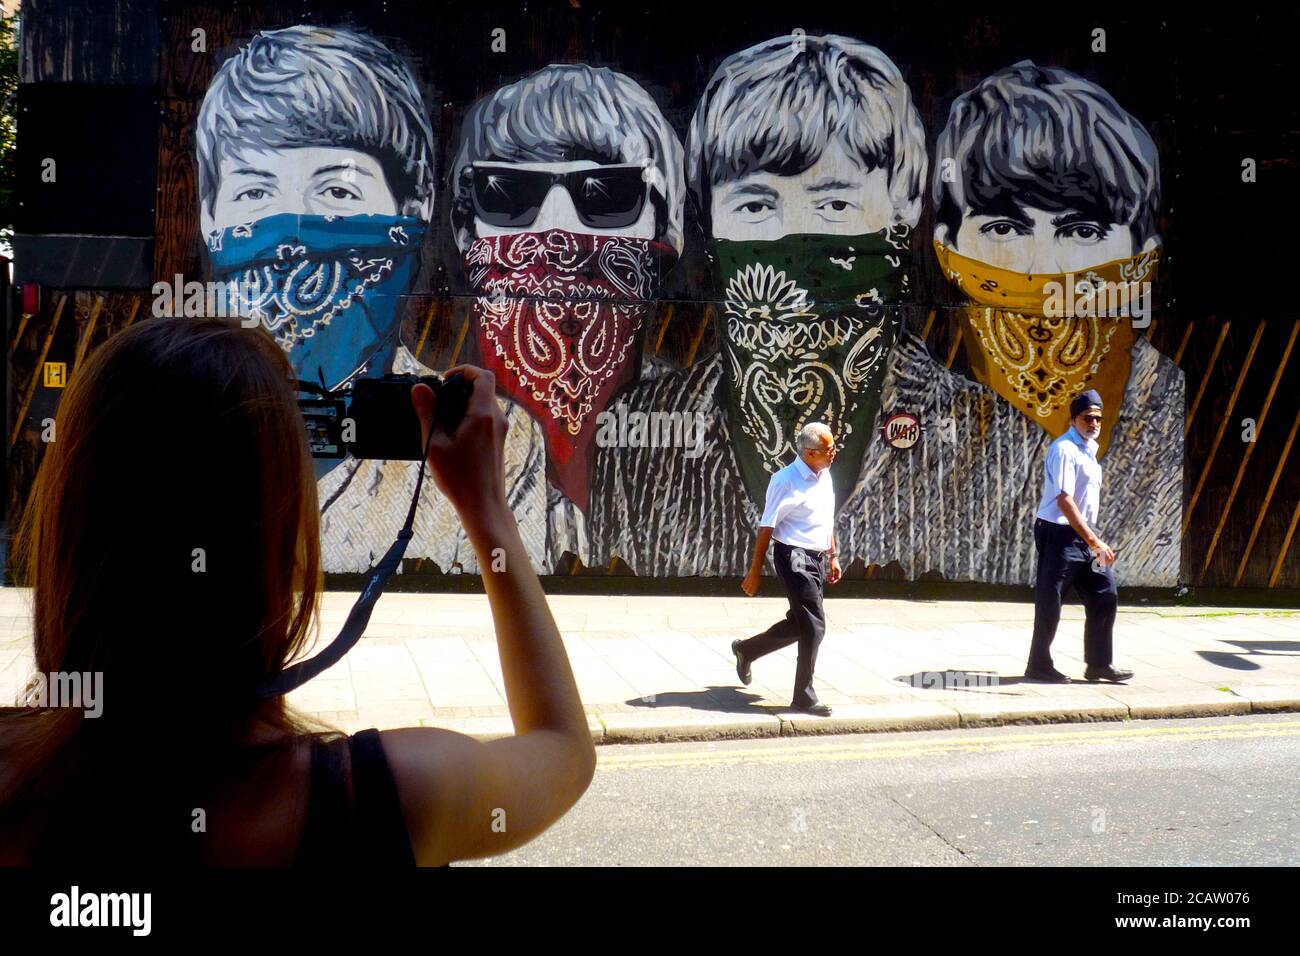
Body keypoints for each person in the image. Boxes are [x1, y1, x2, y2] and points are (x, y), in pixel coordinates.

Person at [0, 317, 595, 865]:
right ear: (278, 542)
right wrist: (487, 506)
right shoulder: (397, 793)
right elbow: (562, 749)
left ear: (67, 530)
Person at [588, 32, 926, 577]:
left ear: (903, 205)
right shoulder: (634, 434)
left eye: (835, 203)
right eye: (753, 205)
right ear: (709, 216)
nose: (794, 239)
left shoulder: (997, 437)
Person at [1025, 389, 1134, 684]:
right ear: (1074, 419)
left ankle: (1098, 665)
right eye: (1088, 417)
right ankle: (1038, 665)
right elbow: (1064, 499)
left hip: (1082, 534)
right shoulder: (1064, 450)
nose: (1094, 423)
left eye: (1098, 418)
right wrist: (1095, 542)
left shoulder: (1088, 450)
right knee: (1051, 600)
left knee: (1104, 593)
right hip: (1058, 533)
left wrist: (1091, 539)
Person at [734, 423, 843, 716]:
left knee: (801, 624)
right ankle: (804, 697)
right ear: (810, 453)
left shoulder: (825, 474)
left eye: (833, 447)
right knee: (814, 626)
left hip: (817, 557)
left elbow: (825, 517)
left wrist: (832, 555)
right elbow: (766, 525)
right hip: (794, 556)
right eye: (828, 449)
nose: (834, 453)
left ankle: (747, 650)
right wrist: (755, 570)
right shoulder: (785, 480)